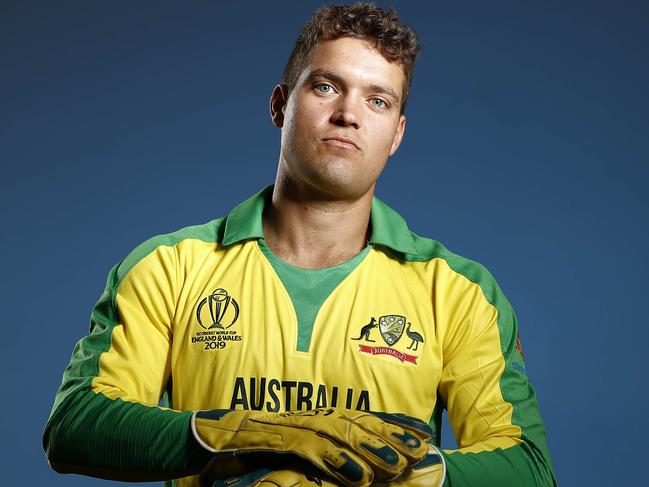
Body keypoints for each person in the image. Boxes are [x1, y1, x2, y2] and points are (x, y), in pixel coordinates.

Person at [43, 3, 556, 486]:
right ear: (279, 104)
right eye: (327, 87)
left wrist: (396, 474)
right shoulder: (167, 267)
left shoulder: (459, 292)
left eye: (377, 100)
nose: (349, 114)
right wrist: (249, 436)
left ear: (396, 134)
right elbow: (74, 424)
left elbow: (529, 468)